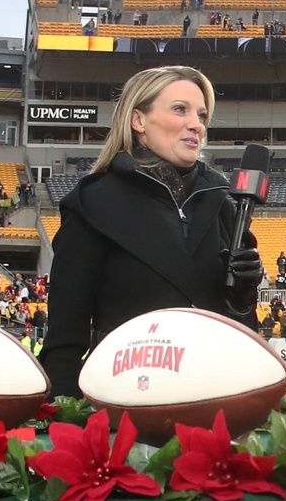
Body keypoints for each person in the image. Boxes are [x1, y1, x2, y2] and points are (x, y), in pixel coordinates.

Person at [40, 66, 262, 398]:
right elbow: (65, 339)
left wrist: (241, 302)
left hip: (211, 400)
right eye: (180, 109)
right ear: (138, 121)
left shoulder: (223, 203)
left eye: (201, 115)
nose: (196, 125)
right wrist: (65, 424)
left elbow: (242, 337)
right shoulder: (92, 204)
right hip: (127, 403)